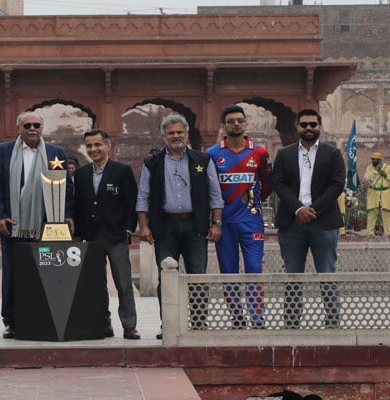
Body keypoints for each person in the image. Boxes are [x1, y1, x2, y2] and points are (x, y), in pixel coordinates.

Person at [136, 114, 223, 340]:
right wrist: (143, 226)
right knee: (166, 277)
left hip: (195, 226)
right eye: (171, 133)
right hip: (165, 227)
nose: (176, 136)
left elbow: (215, 194)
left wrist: (216, 223)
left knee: (197, 277)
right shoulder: (152, 163)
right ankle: (169, 324)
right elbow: (143, 196)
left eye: (179, 132)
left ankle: (198, 324)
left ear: (186, 134)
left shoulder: (202, 160)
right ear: (164, 136)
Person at [0, 111, 74, 339]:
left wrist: (65, 214)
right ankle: (11, 320)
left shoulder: (56, 154)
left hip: (47, 224)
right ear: (19, 128)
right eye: (27, 125)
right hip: (13, 224)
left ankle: (43, 317)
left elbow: (65, 188)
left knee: (45, 273)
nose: (32, 128)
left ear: (42, 128)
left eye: (37, 124)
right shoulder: (4, 152)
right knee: (13, 275)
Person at [272, 108, 345, 328]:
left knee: (327, 274)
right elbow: (279, 184)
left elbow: (337, 185)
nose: (309, 128)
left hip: (323, 222)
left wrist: (312, 210)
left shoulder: (332, 153)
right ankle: (292, 322)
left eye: (313, 124)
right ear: (297, 127)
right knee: (293, 276)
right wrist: (298, 209)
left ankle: (333, 320)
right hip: (292, 223)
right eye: (304, 125)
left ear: (320, 126)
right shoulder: (284, 154)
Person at [206, 104, 273, 328]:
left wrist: (253, 204)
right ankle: (237, 317)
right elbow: (209, 190)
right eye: (231, 121)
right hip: (224, 224)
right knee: (229, 271)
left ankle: (257, 318)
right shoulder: (212, 154)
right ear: (223, 126)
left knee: (254, 268)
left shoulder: (259, 152)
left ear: (246, 124)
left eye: (240, 120)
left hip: (251, 221)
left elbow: (267, 184)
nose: (236, 124)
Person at [73, 129, 140, 340]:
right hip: (91, 237)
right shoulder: (82, 174)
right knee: (96, 284)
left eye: (97, 145)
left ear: (107, 146)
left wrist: (128, 229)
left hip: (116, 236)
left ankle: (129, 325)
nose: (93, 149)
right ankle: (103, 324)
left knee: (123, 283)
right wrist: (78, 232)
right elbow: (78, 204)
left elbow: (132, 202)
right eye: (89, 146)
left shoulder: (122, 171)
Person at [364, 152, 390, 236]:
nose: (372, 160)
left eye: (374, 159)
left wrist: (386, 175)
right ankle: (369, 233)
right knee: (372, 213)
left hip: (385, 193)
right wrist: (376, 172)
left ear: (379, 160)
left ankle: (388, 234)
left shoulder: (388, 168)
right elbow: (367, 178)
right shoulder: (369, 168)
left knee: (386, 214)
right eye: (372, 159)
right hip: (373, 192)